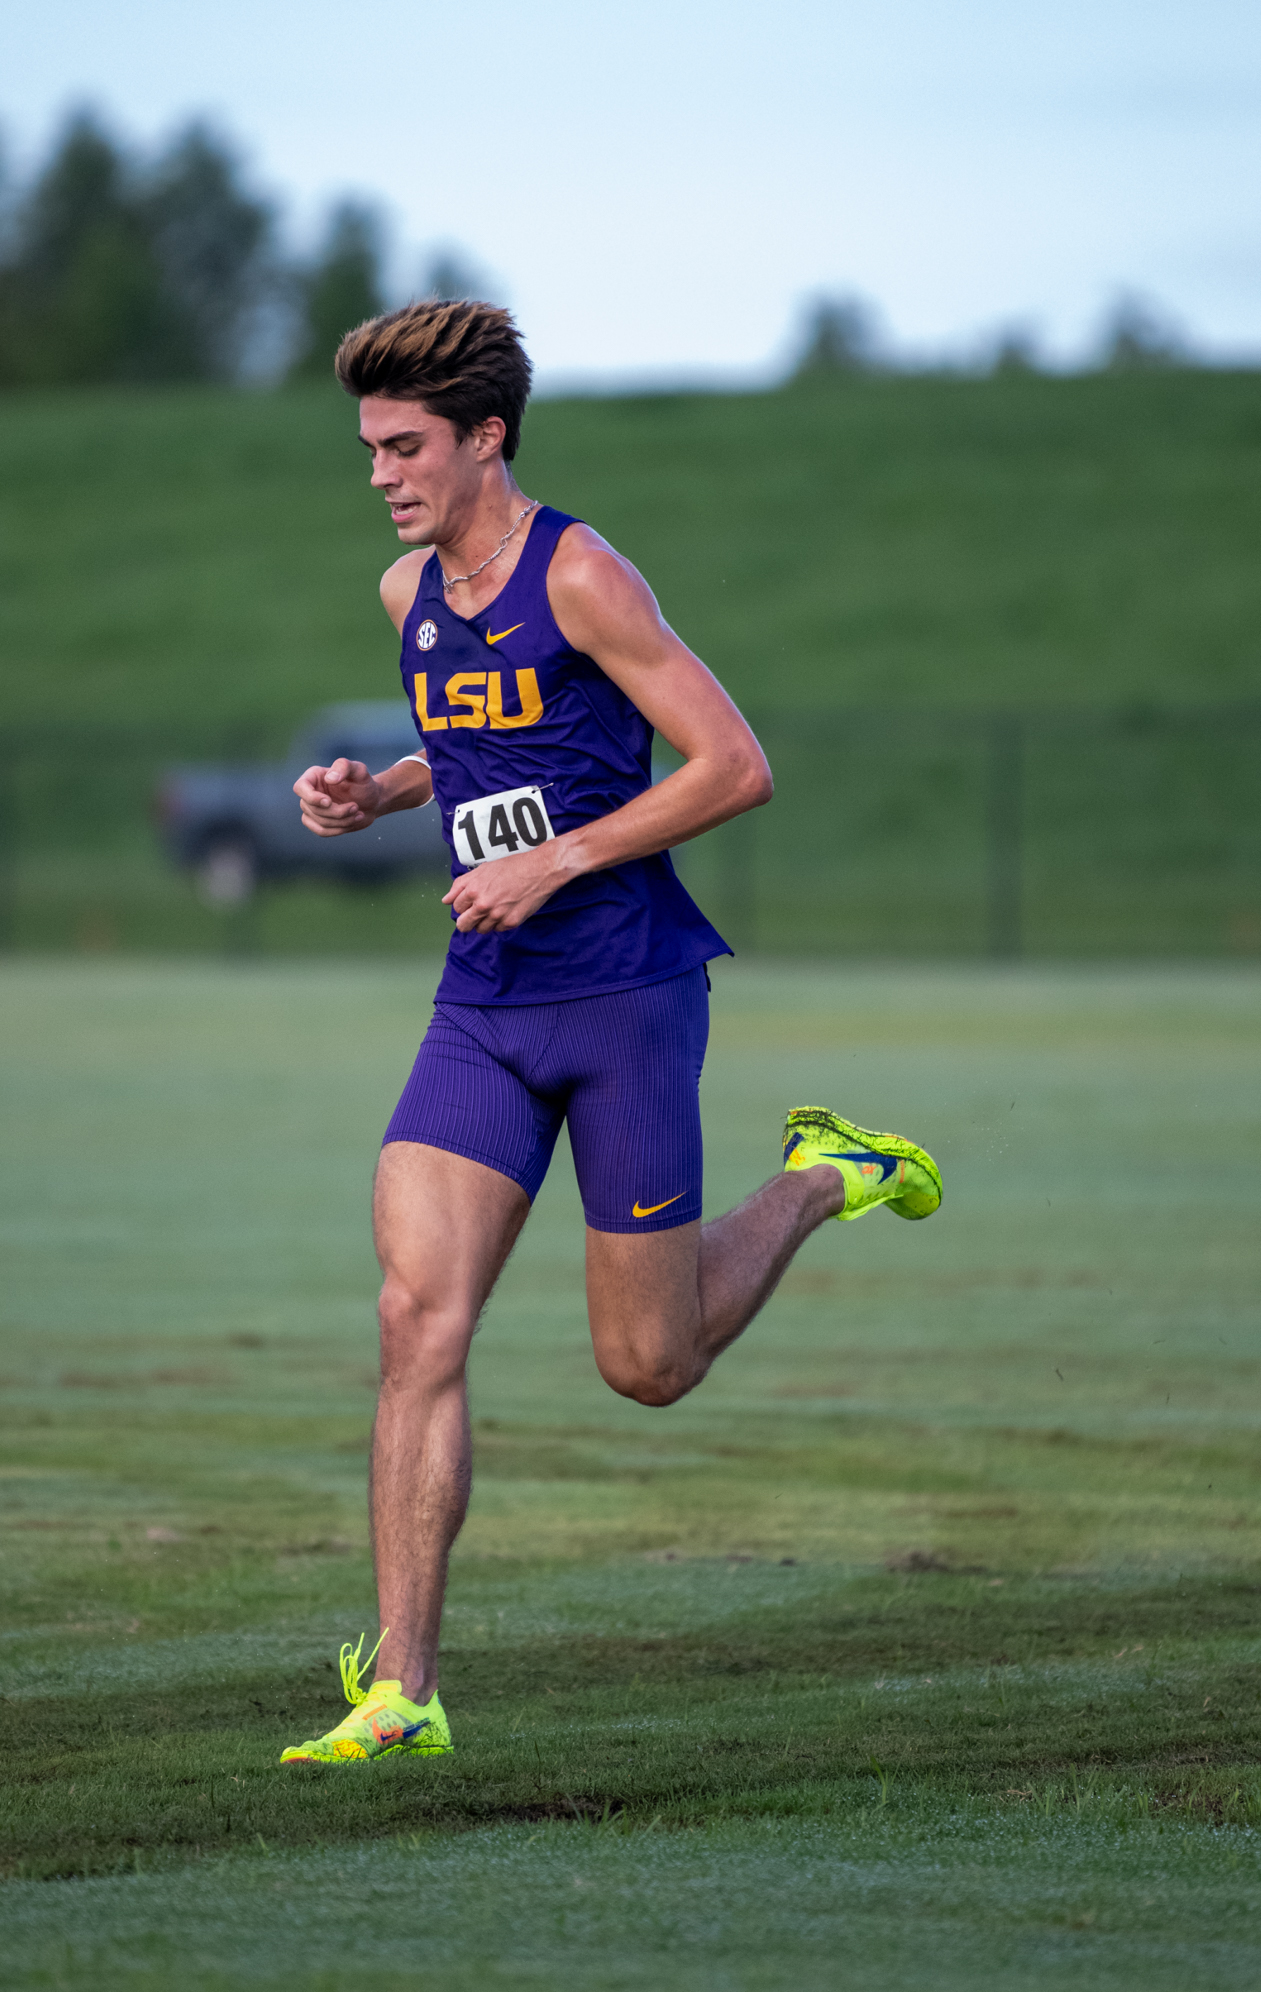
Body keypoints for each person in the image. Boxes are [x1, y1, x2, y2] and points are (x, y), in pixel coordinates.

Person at [279, 301, 940, 1766]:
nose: (382, 474)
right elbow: (484, 744)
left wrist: (559, 860)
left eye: (406, 448)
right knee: (413, 1319)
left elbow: (733, 765)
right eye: (371, 449)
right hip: (483, 1003)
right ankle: (404, 1689)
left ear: (484, 439)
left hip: (626, 995)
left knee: (648, 1366)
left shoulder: (581, 573)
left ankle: (825, 1171)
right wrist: (379, 796)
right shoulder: (408, 596)